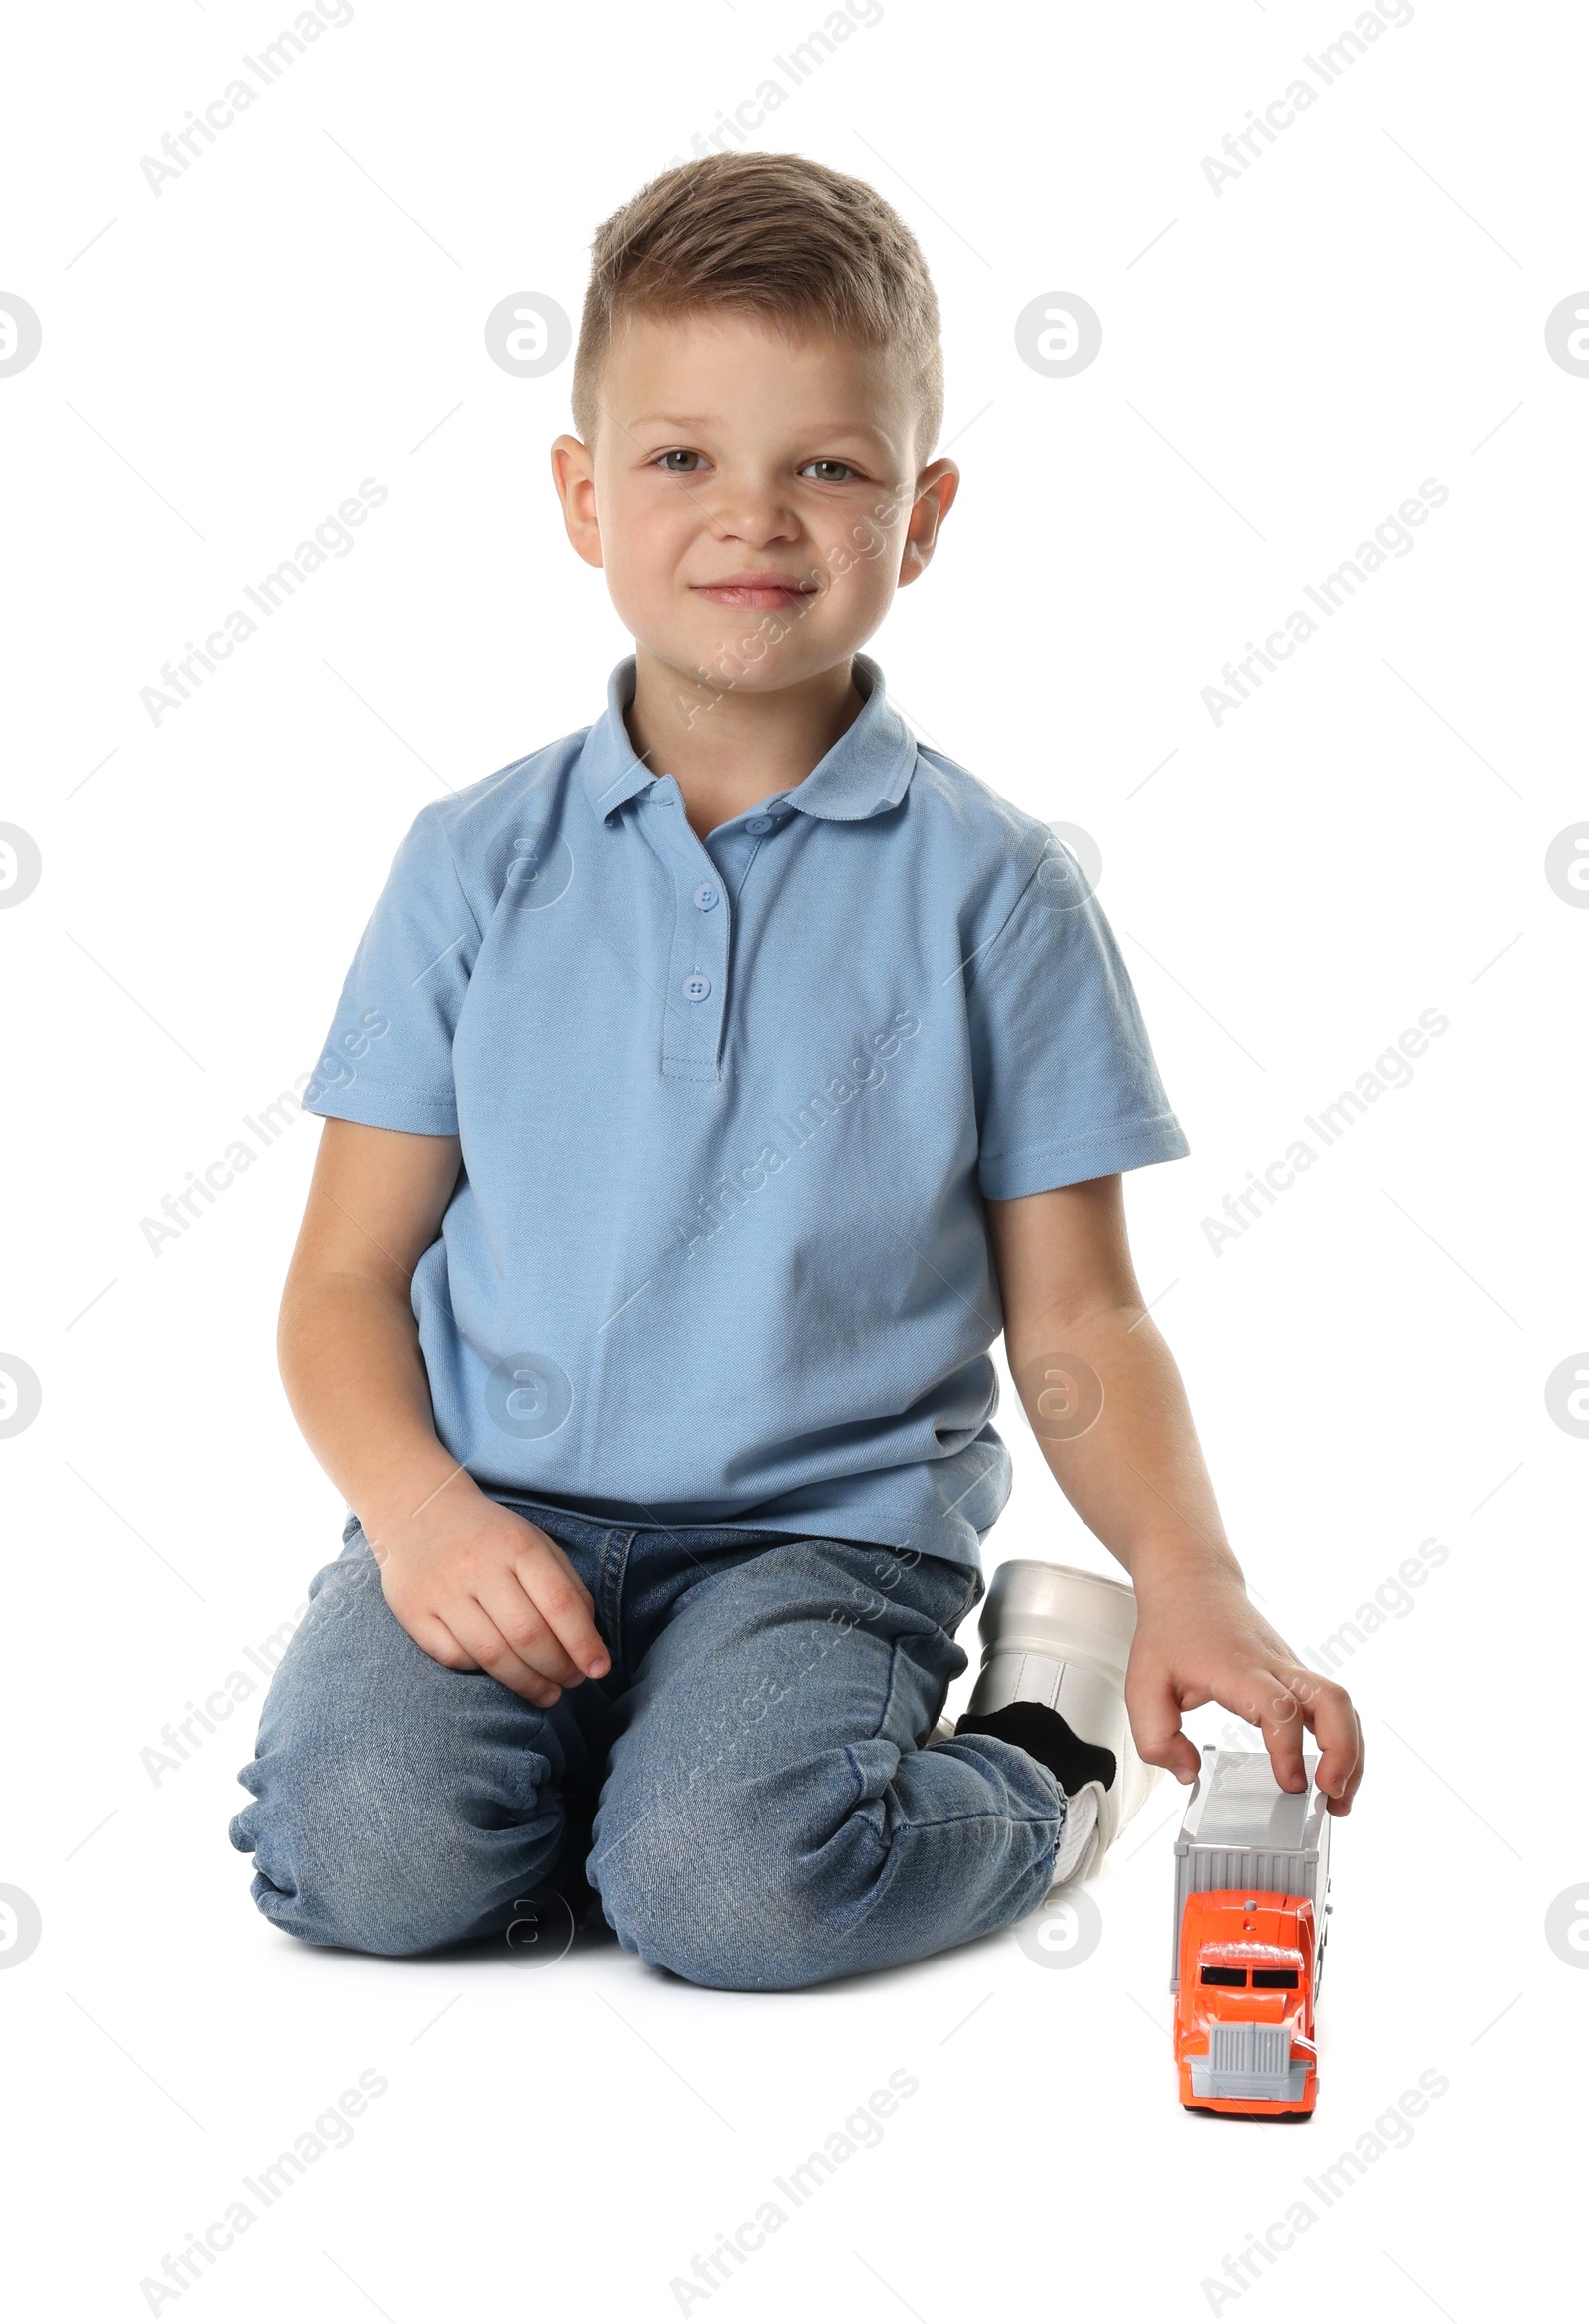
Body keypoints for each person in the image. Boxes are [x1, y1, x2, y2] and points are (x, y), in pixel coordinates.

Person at [229, 152, 1363, 1989]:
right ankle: (635, 1770)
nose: (752, 514)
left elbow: (1078, 1319)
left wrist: (1189, 1576)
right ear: (583, 497)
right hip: (494, 1511)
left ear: (919, 516)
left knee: (733, 1898)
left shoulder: (997, 893)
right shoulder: (470, 863)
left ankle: (1039, 1761)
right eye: (681, 458)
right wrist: (426, 1513)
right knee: (360, 1861)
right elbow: (343, 1280)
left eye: (826, 466)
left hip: (820, 1543)